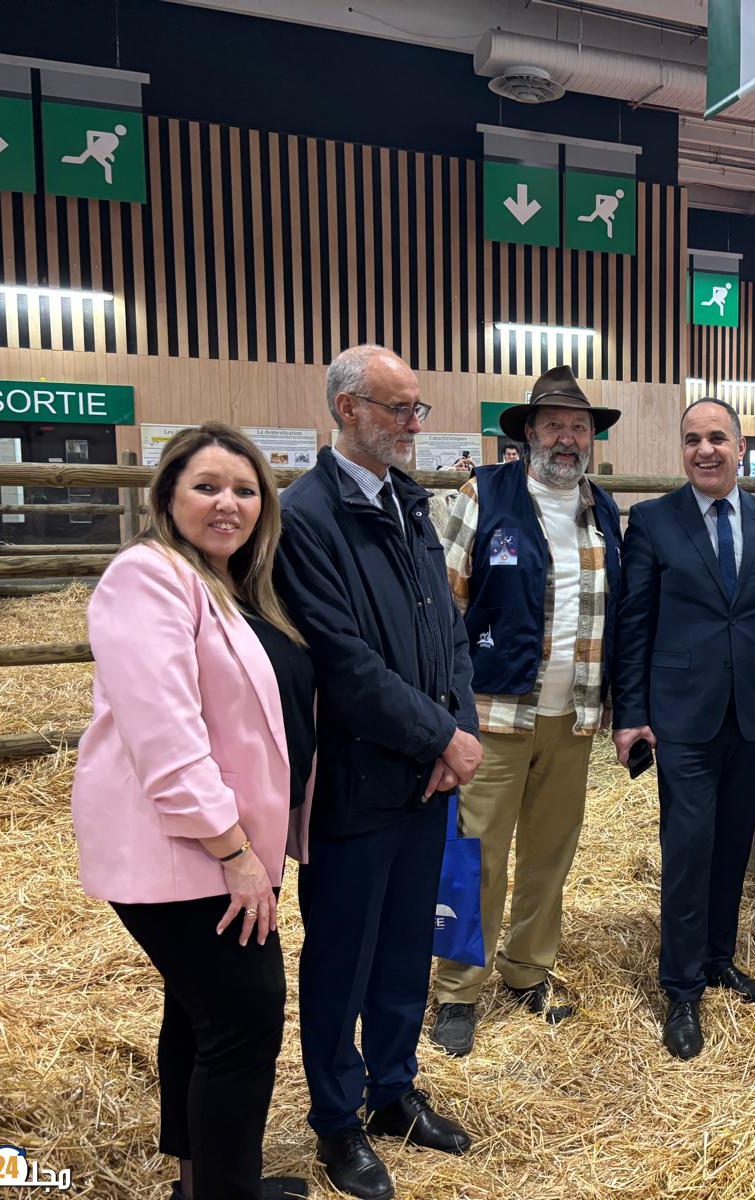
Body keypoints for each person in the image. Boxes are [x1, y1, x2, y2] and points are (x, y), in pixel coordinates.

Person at [72, 423, 313, 1200]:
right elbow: (165, 736)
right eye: (207, 486)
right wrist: (235, 850)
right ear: (167, 495)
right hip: (193, 853)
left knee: (200, 1018)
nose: (228, 504)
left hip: (223, 850)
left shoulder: (232, 584)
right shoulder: (147, 577)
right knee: (245, 1024)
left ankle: (197, 1182)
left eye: (245, 490)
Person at [274, 345, 482, 1200]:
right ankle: (336, 1122)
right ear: (348, 409)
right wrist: (441, 738)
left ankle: (393, 1091)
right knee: (341, 958)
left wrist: (456, 730)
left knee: (405, 949)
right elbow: (344, 664)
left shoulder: (409, 502)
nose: (415, 425)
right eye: (400, 409)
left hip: (423, 778)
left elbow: (448, 634)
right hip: (357, 784)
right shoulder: (305, 517)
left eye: (419, 409)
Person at [611, 397, 755, 1060]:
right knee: (690, 847)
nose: (705, 450)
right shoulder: (651, 522)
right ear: (684, 449)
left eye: (717, 438)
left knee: (734, 846)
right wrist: (632, 714)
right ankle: (680, 987)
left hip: (753, 713)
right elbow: (634, 625)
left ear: (740, 448)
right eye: (693, 439)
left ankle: (720, 958)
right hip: (683, 717)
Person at [429, 366, 624, 1053]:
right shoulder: (485, 496)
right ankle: (457, 989)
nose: (567, 439)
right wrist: (447, 713)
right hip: (491, 716)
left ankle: (527, 970)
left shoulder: (602, 511)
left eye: (579, 427)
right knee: (478, 856)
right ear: (528, 434)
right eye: (554, 426)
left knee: (549, 855)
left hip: (570, 719)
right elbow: (445, 608)